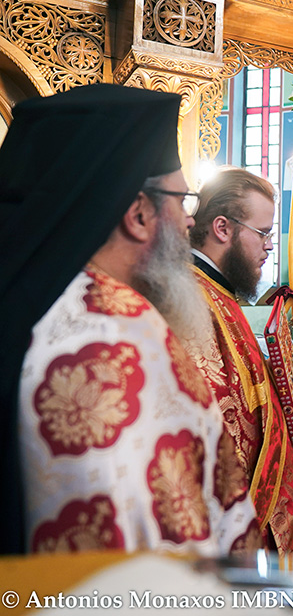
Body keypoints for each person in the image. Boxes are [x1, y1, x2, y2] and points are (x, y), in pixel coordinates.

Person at [0, 84, 259, 555]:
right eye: (182, 201)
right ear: (138, 213)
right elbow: (155, 570)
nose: (187, 222)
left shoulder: (27, 298)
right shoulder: (112, 339)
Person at [187, 167, 293, 554]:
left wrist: (272, 370)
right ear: (222, 228)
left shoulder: (218, 292)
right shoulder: (188, 297)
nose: (270, 246)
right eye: (263, 233)